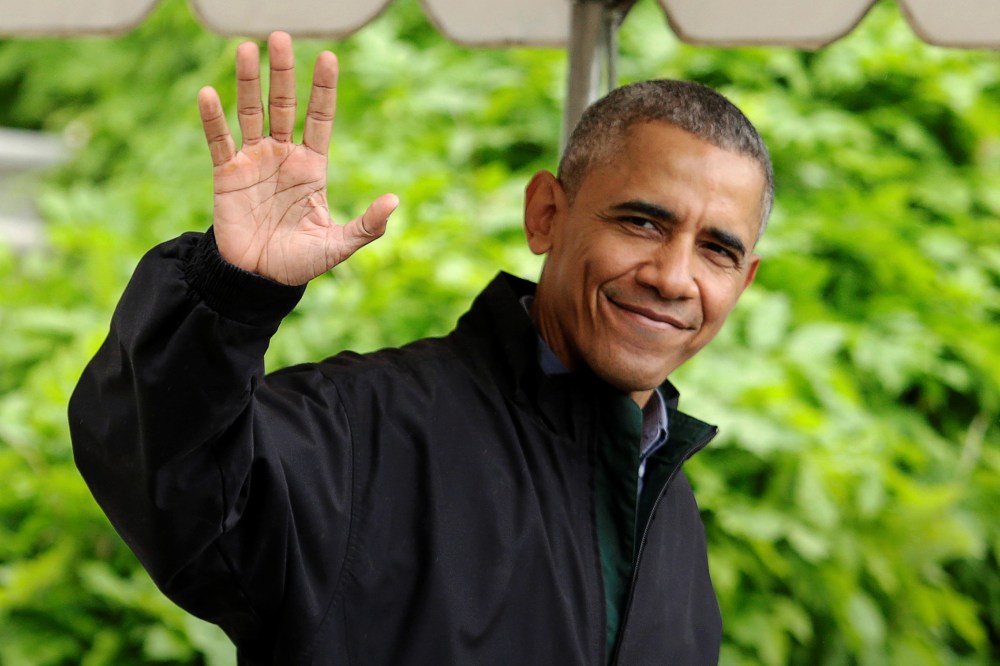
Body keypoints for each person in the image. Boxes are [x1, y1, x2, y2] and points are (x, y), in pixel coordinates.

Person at [69, 30, 772, 666]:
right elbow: (167, 479)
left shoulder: (667, 503)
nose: (673, 277)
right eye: (644, 223)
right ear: (546, 215)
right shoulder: (360, 432)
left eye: (716, 249)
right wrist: (230, 293)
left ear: (744, 281)